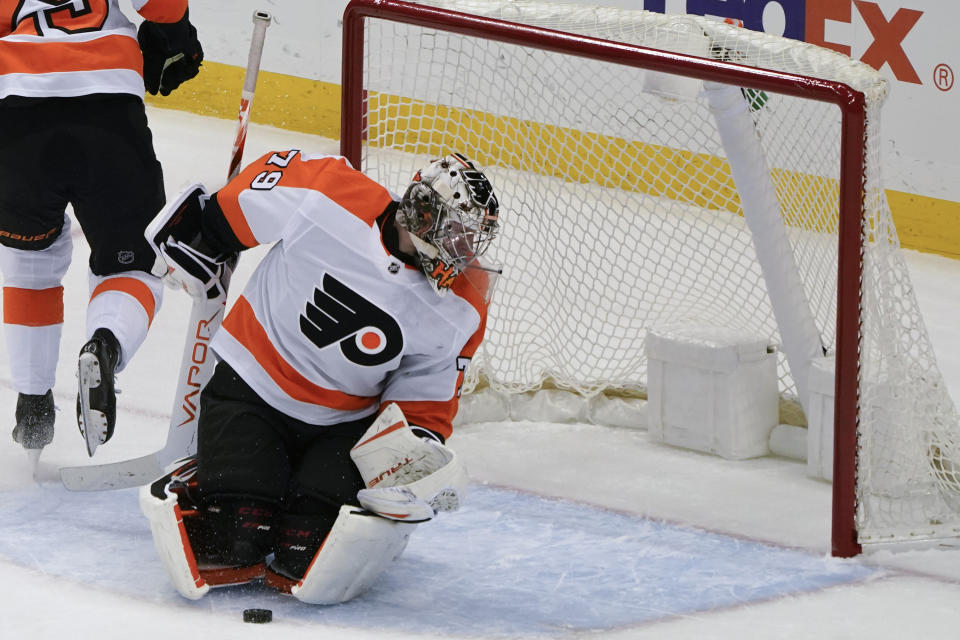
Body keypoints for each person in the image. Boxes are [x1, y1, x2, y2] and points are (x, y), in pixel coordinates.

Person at [140, 150, 501, 603]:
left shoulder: (463, 304)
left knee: (305, 548)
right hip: (251, 391)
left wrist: (413, 453)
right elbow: (244, 202)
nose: (463, 252)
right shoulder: (328, 193)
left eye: (472, 240)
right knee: (235, 538)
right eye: (457, 234)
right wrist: (211, 229)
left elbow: (424, 400)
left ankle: (295, 495)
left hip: (344, 429)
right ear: (423, 214)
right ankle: (225, 482)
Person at [0, 0, 205, 457]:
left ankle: (33, 408)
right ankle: (106, 345)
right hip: (107, 113)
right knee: (134, 264)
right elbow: (163, 6)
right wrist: (178, 34)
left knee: (29, 265)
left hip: (15, 119)